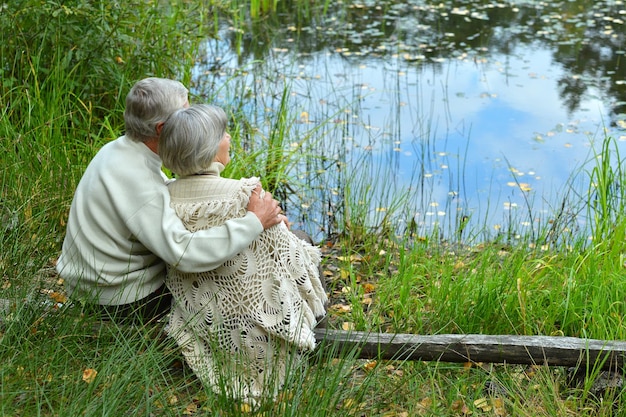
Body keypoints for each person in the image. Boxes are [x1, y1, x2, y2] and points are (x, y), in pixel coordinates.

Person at [56, 78, 285, 323]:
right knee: (227, 281)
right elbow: (184, 254)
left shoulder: (118, 150)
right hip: (120, 302)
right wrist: (255, 222)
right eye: (186, 113)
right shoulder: (138, 178)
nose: (193, 120)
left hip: (90, 288)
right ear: (162, 128)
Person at [158, 104, 328, 402]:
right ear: (209, 149)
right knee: (302, 242)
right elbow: (291, 264)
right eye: (224, 134)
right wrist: (284, 232)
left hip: (204, 321)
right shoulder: (246, 194)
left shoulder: (162, 195)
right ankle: (322, 341)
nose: (230, 138)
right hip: (259, 326)